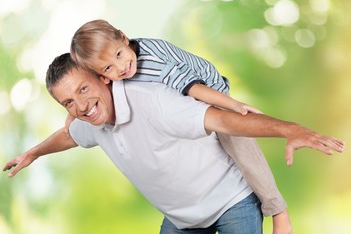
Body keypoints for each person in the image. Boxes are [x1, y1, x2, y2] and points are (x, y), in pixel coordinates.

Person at [3, 53, 344, 234]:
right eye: (67, 102)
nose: (80, 106)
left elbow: (226, 119)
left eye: (83, 90)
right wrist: (33, 152)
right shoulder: (90, 121)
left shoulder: (154, 101)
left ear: (103, 77)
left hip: (232, 204)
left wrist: (290, 129)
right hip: (182, 222)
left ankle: (279, 211)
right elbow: (68, 135)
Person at [69, 19, 290, 233]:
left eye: (119, 55)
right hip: (181, 99)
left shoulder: (154, 62)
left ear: (124, 38)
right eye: (108, 68)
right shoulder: (124, 68)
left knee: (242, 148)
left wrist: (234, 105)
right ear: (101, 76)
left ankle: (279, 211)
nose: (121, 68)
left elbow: (191, 88)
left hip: (206, 90)